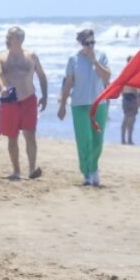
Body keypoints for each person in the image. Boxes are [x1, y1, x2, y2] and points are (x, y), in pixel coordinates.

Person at [58, 29, 111, 186]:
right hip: (79, 105)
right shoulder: (73, 59)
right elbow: (68, 83)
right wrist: (62, 105)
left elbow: (107, 76)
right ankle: (87, 172)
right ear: (81, 43)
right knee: (84, 140)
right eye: (87, 43)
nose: (90, 46)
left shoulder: (101, 56)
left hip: (98, 104)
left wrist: (94, 61)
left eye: (92, 42)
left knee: (97, 141)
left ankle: (94, 168)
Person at [0, 26, 48, 178]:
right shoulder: (2, 57)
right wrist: (2, 87)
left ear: (22, 39)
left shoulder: (31, 56)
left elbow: (42, 76)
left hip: (29, 98)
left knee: (30, 134)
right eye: (11, 36)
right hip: (10, 99)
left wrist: (44, 96)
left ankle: (32, 169)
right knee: (12, 136)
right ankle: (16, 170)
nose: (13, 39)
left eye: (17, 36)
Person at [121, 56, 140, 145]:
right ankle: (129, 139)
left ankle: (123, 139)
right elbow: (134, 86)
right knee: (131, 119)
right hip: (131, 96)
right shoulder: (132, 71)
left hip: (125, 96)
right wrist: (137, 98)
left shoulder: (124, 71)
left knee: (126, 118)